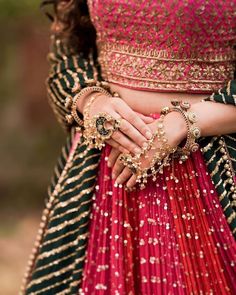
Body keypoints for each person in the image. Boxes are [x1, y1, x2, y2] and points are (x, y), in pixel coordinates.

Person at [21, 0, 236, 294]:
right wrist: (91, 102)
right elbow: (68, 56)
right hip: (104, 170)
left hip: (211, 166)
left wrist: (183, 123)